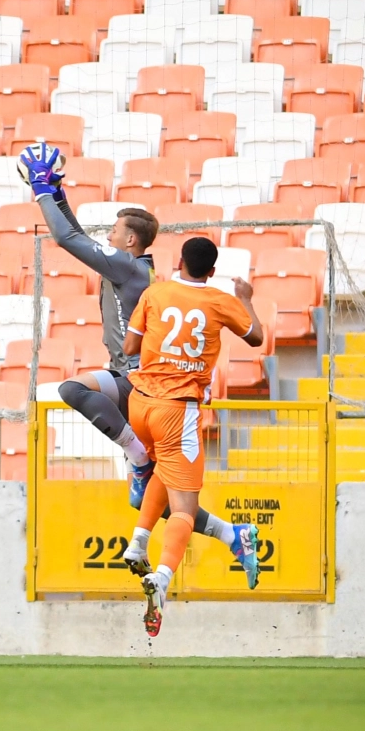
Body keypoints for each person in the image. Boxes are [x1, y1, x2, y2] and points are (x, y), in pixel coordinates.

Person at [18, 143, 253, 564]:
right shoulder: (129, 265)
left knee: (74, 392)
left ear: (130, 240)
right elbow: (80, 237)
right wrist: (59, 195)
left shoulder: (127, 267)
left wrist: (40, 191)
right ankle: (229, 533)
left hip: (141, 382)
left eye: (113, 231)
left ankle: (140, 459)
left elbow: (67, 239)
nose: (107, 237)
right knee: (147, 500)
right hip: (130, 374)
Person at [122, 236, 265, 637]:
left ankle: (139, 541)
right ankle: (163, 578)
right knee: (184, 506)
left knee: (161, 474)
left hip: (140, 402)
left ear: (179, 262)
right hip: (177, 409)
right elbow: (256, 338)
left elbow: (130, 345)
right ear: (212, 271)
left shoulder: (155, 292)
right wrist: (246, 298)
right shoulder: (220, 301)